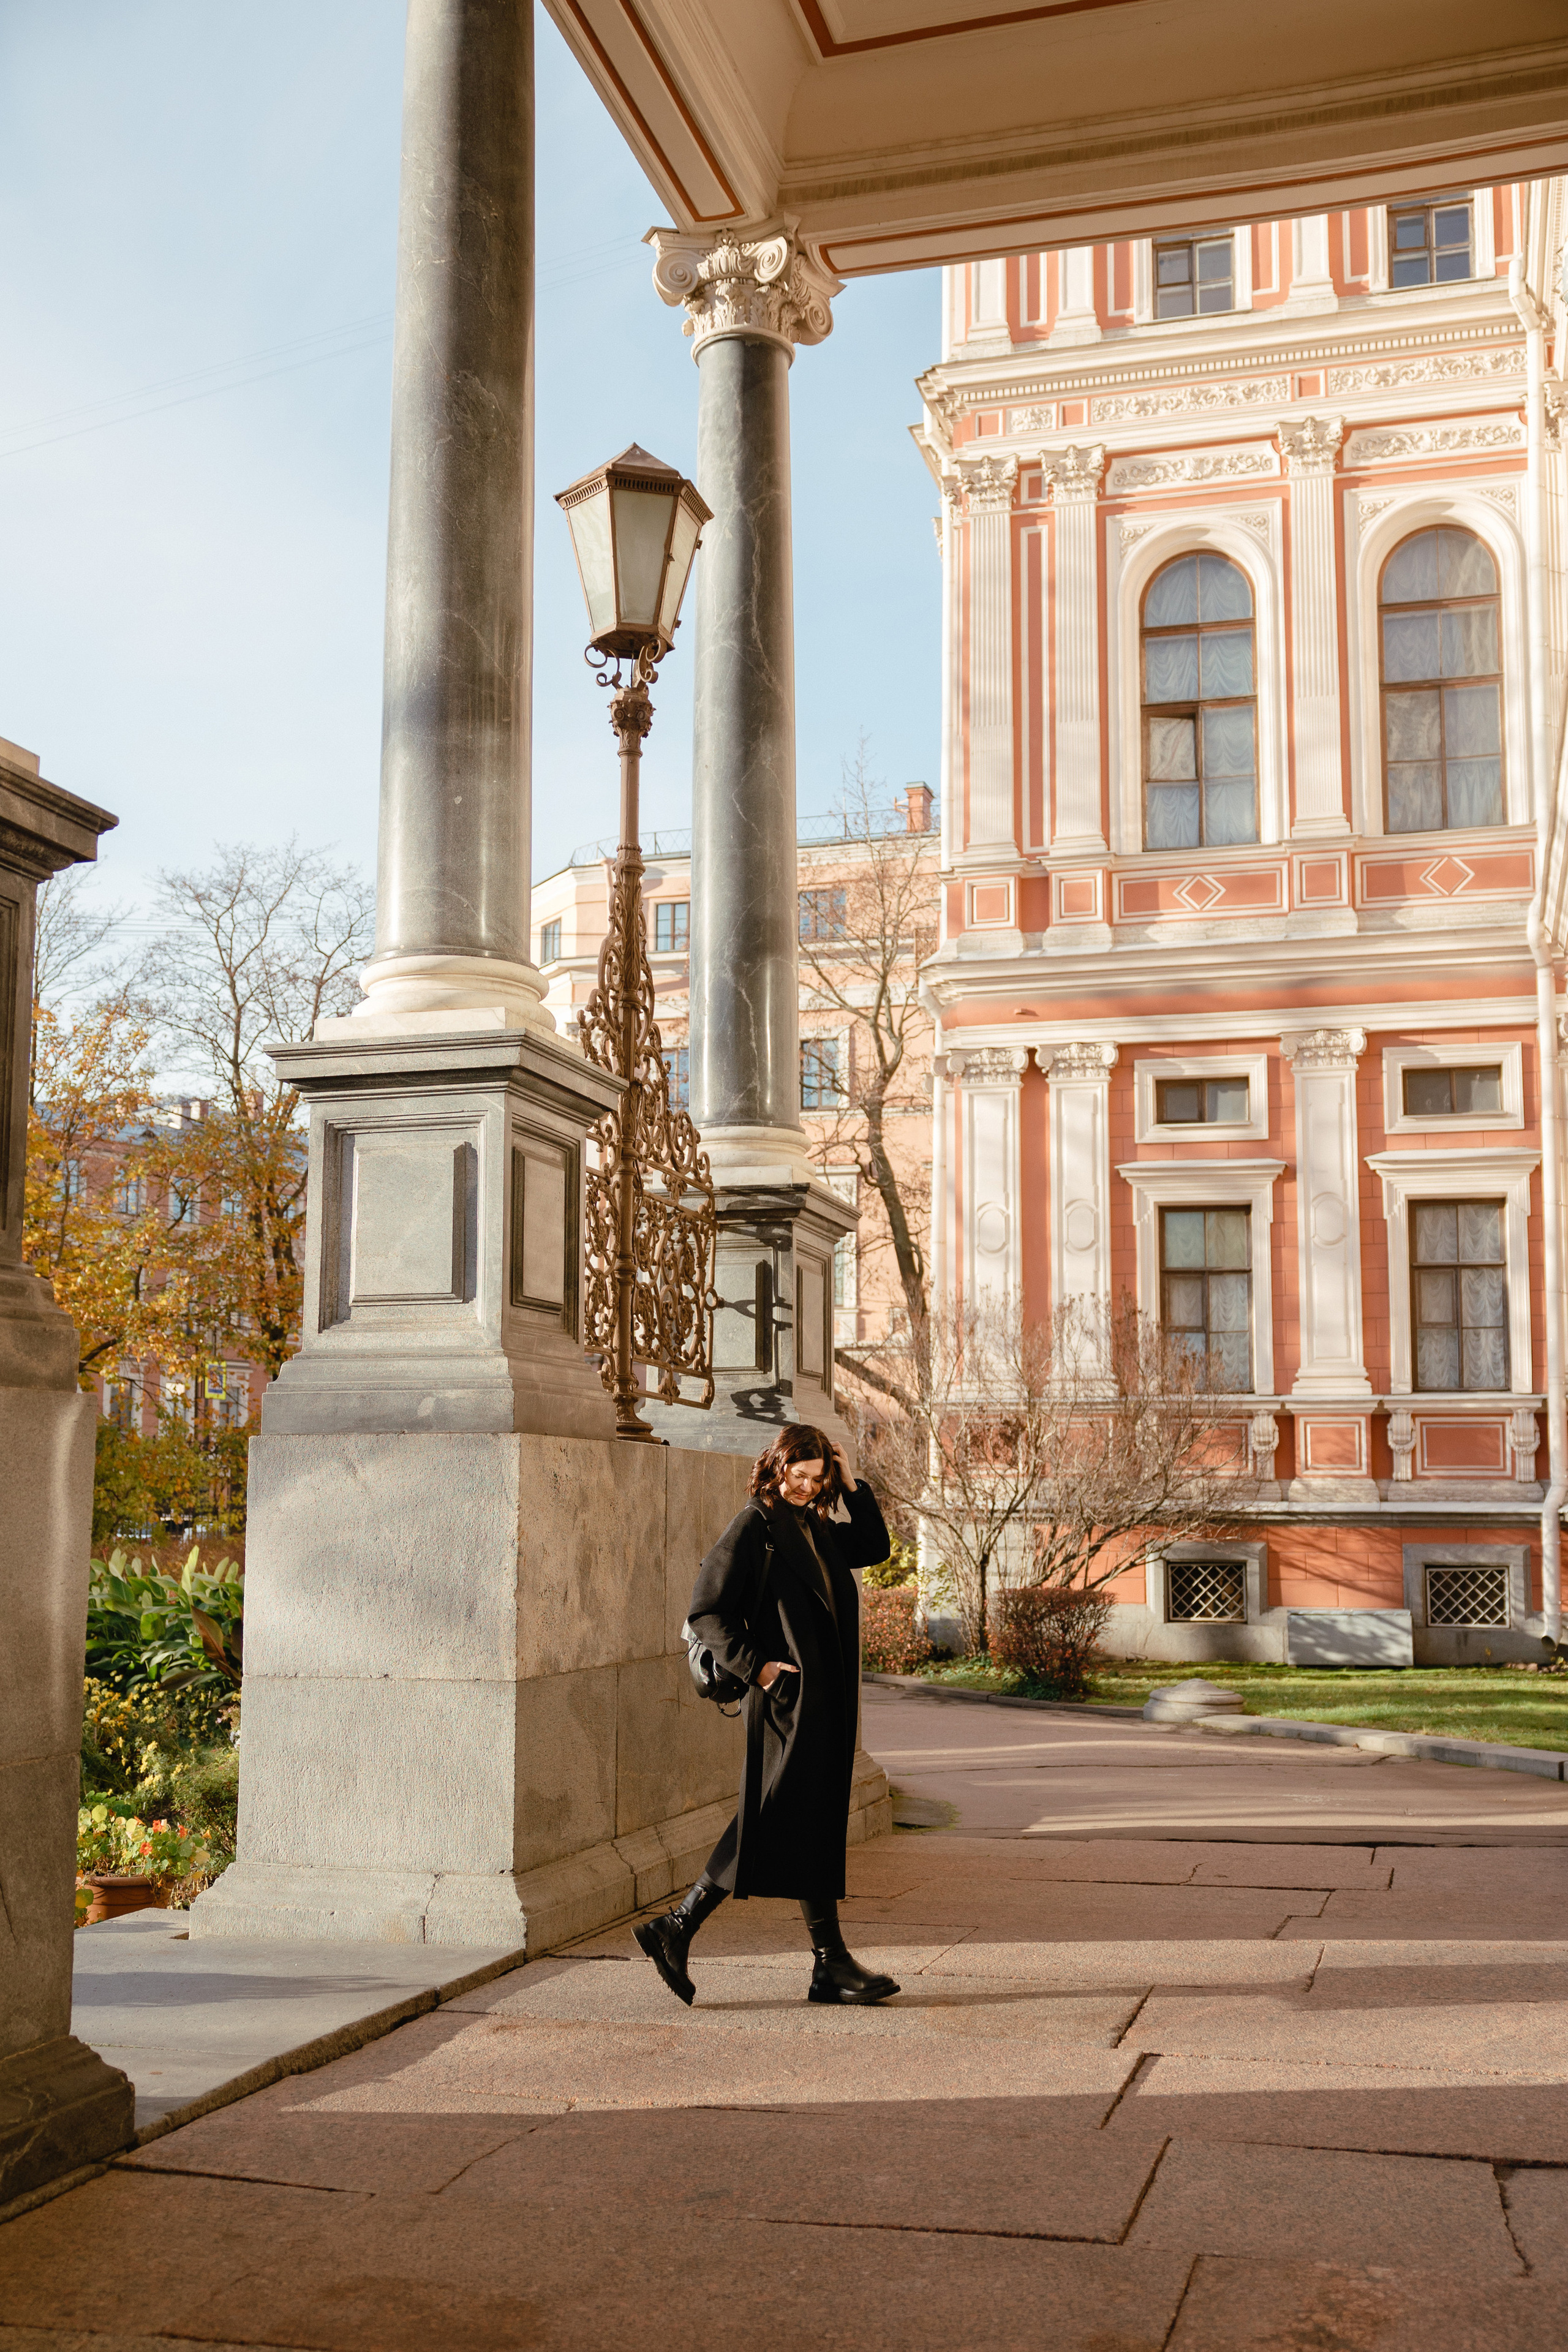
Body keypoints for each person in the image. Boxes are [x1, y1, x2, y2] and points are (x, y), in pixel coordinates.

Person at [635, 1423, 900, 2008]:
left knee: (812, 1820)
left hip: (827, 1701)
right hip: (788, 1704)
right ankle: (678, 1927)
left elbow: (876, 1548)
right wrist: (758, 1669)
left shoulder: (816, 1528)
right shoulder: (757, 1526)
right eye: (797, 1476)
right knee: (772, 1817)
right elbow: (707, 1611)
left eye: (816, 1478)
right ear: (776, 1468)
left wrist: (852, 1482)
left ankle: (828, 1965)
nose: (805, 1487)